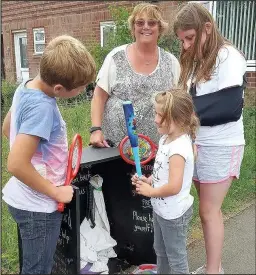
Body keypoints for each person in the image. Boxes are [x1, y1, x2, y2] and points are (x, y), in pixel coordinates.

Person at [2, 35, 96, 274]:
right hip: (38, 207)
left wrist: (34, 155)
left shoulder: (26, 87)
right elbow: (15, 164)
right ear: (58, 89)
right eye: (81, 87)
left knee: (32, 265)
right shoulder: (43, 107)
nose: (85, 90)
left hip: (24, 199)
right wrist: (55, 192)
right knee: (38, 270)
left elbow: (7, 129)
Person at [173, 2, 246, 274]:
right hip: (196, 144)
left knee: (209, 211)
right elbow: (190, 103)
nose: (186, 46)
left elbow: (227, 107)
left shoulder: (227, 56)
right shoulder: (195, 63)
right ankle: (213, 266)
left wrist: (181, 114)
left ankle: (213, 271)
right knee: (206, 212)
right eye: (182, 40)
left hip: (221, 145)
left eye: (190, 38)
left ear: (207, 28)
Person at [90, 2, 180, 148]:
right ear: (133, 27)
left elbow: (179, 105)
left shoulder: (171, 62)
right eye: (140, 23)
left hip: (158, 150)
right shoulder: (116, 57)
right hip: (115, 149)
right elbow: (99, 97)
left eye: (152, 23)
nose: (146, 27)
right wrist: (95, 129)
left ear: (160, 28)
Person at [132, 89, 200, 274]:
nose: (155, 119)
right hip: (161, 209)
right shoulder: (165, 139)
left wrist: (150, 192)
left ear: (178, 119)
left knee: (176, 258)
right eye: (156, 113)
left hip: (174, 215)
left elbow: (174, 186)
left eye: (160, 115)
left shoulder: (178, 149)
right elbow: (162, 172)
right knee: (160, 251)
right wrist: (148, 180)